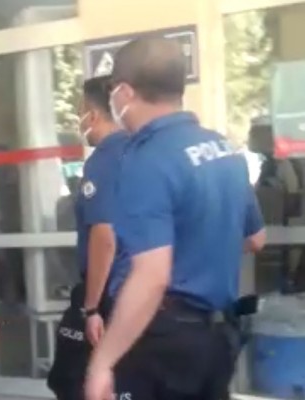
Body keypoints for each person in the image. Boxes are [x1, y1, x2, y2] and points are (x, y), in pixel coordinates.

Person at [84, 37, 266, 400]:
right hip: (218, 335)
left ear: (124, 92)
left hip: (162, 343)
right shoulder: (223, 148)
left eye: (112, 91)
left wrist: (102, 363)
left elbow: (151, 276)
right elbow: (255, 239)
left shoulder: (146, 159)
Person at [47, 75, 129, 400]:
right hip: (138, 295)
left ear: (92, 115)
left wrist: (91, 308)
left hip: (108, 295)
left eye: (81, 112)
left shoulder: (104, 160)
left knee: (77, 380)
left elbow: (104, 237)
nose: (80, 121)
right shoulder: (141, 152)